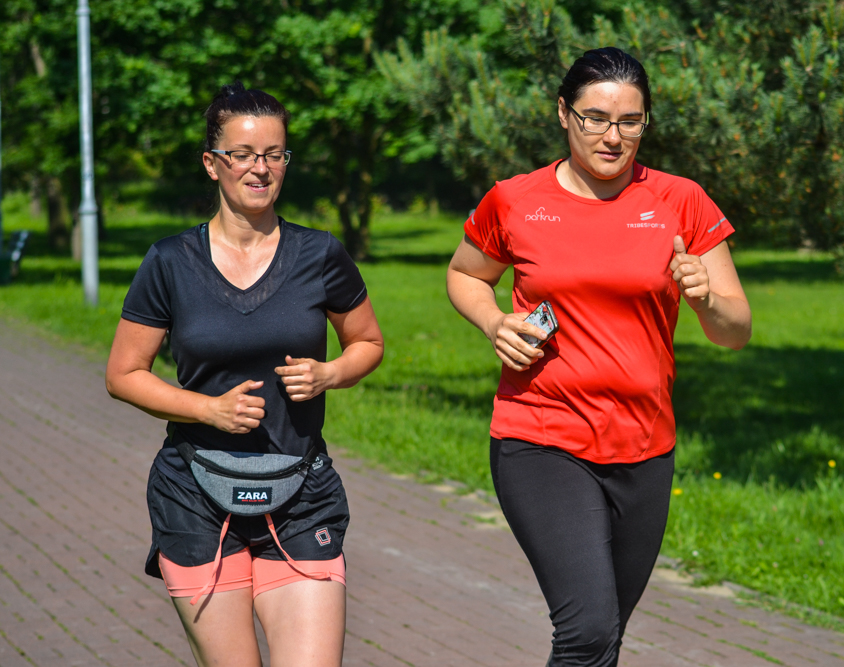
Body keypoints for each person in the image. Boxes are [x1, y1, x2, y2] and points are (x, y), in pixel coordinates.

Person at [446, 47, 752, 666]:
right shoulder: (515, 199)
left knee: (604, 636)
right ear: (564, 113)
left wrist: (704, 298)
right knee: (586, 629)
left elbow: (735, 330)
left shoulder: (681, 200)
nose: (613, 137)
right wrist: (494, 321)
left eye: (630, 122)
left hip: (645, 445)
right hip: (541, 435)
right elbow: (465, 274)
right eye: (596, 118)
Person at [105, 82, 383, 667]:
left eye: (274, 154)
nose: (260, 168)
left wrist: (330, 373)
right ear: (212, 163)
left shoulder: (319, 254)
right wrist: (208, 409)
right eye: (243, 154)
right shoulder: (169, 262)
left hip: (301, 492)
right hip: (196, 496)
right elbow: (124, 373)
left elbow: (368, 343)